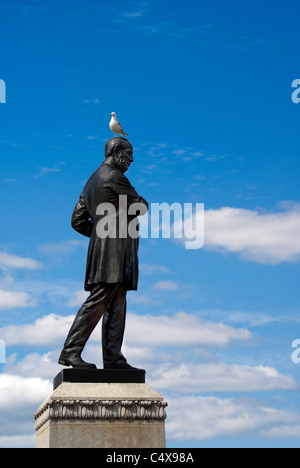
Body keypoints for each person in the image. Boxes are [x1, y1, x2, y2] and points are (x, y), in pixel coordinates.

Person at [58, 137, 148, 369]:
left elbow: (77, 221)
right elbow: (141, 206)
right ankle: (70, 351)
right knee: (99, 301)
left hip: (107, 249)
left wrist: (100, 234)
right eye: (128, 154)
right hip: (114, 251)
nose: (131, 159)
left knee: (116, 302)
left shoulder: (91, 181)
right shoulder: (114, 176)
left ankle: (113, 358)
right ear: (117, 152)